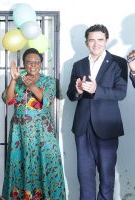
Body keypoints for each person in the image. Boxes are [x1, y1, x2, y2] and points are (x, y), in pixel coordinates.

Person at [66, 24, 128, 200]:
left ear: (106, 40)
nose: (96, 44)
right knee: (84, 177)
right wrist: (78, 90)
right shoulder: (78, 65)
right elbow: (71, 95)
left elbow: (121, 93)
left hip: (107, 127)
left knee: (107, 177)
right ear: (86, 42)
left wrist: (96, 90)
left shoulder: (119, 63)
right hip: (82, 128)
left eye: (100, 39)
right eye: (92, 40)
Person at [1, 48, 66, 200]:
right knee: (19, 166)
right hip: (20, 133)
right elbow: (8, 100)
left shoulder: (49, 81)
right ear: (24, 64)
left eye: (37, 61)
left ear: (41, 64)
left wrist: (31, 86)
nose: (33, 64)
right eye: (29, 61)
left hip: (42, 132)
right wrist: (13, 80)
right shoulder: (18, 80)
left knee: (46, 165)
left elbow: (46, 100)